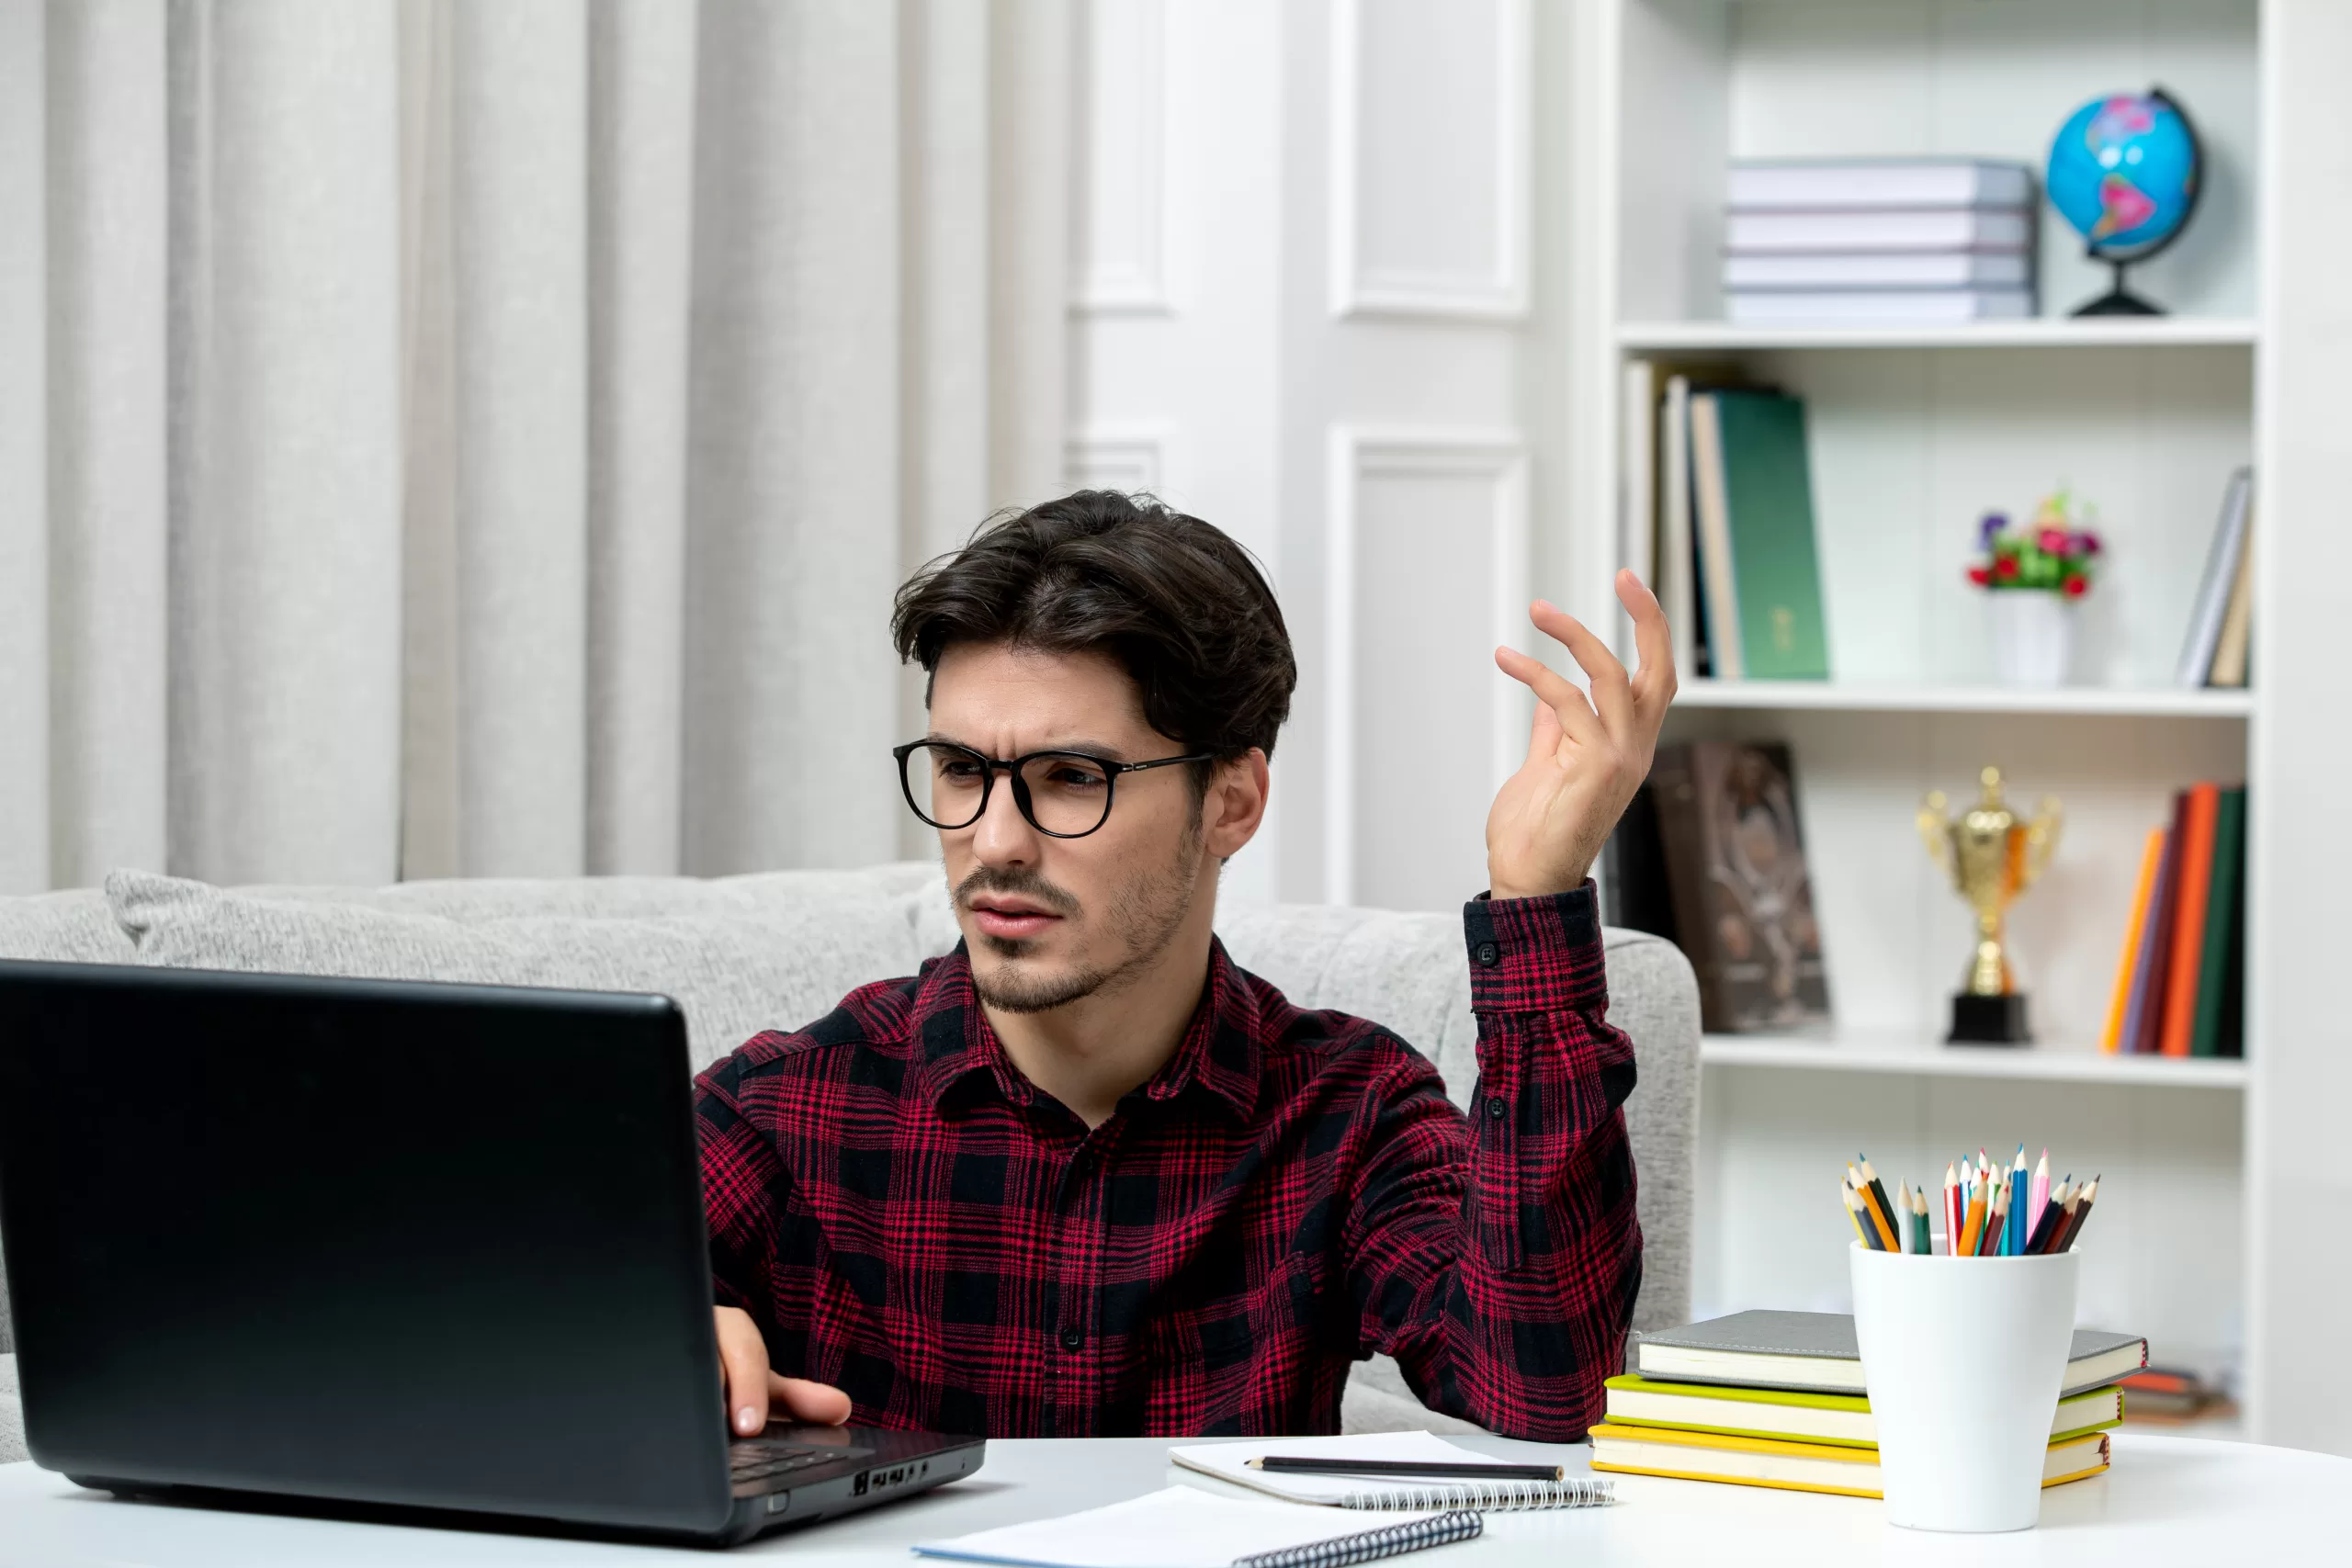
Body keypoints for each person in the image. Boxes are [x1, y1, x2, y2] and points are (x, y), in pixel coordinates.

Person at [695, 490, 1674, 1439]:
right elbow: (561, 1293)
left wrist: (1535, 898)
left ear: (1232, 802)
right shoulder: (785, 1110)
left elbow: (1541, 1389)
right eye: (960, 771)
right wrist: (662, 1335)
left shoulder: (1345, 1113)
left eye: (1071, 778)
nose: (994, 841)